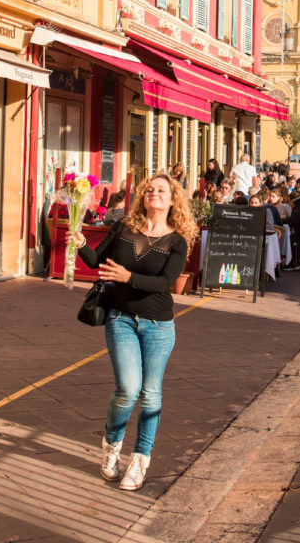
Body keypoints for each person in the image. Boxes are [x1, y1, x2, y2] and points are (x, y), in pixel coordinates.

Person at [68, 173, 197, 491]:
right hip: (120, 318)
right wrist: (82, 243)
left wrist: (127, 277)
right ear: (143, 196)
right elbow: (97, 261)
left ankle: (140, 460)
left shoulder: (177, 241)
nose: (154, 193)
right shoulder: (124, 228)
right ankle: (111, 447)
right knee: (127, 389)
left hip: (157, 325)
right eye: (149, 189)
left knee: (150, 394)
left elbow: (165, 284)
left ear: (172, 200)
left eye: (162, 190)